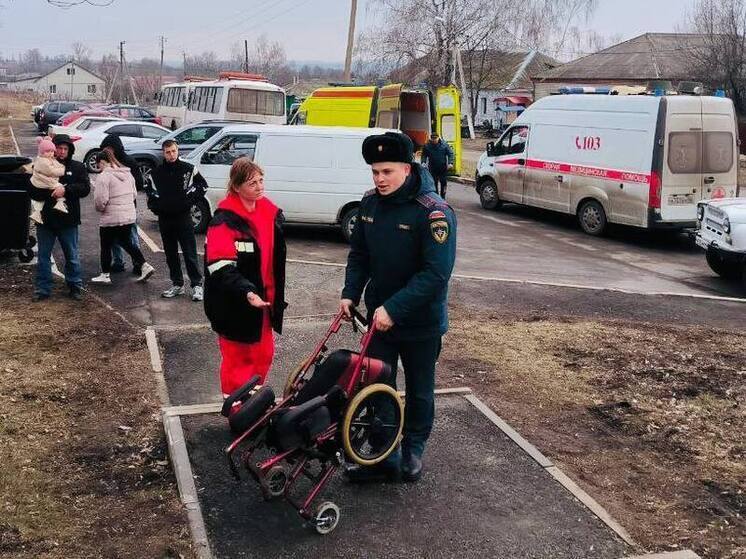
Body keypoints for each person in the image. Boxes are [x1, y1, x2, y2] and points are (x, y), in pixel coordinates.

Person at [340, 131, 457, 483]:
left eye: (387, 172)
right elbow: (359, 254)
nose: (379, 179)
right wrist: (350, 293)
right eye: (375, 172)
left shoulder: (433, 212)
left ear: (407, 169)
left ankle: (414, 449)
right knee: (378, 385)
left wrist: (394, 308)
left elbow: (436, 273)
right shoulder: (369, 204)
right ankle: (383, 452)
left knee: (420, 389)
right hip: (380, 320)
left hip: (419, 322)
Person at [203, 158, 287, 397]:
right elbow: (220, 267)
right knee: (238, 360)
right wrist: (247, 292)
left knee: (263, 355)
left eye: (261, 180)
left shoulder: (269, 215)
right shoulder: (223, 223)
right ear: (236, 187)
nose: (260, 187)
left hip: (264, 306)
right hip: (235, 307)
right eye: (252, 183)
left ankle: (255, 405)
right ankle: (237, 410)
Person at [28, 134, 91, 302]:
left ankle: (74, 286)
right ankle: (43, 289)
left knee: (72, 255)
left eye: (65, 149)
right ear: (53, 149)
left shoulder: (77, 167)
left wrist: (66, 190)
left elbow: (85, 188)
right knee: (43, 256)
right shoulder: (41, 165)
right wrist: (50, 192)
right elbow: (32, 189)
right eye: (59, 148)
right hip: (46, 220)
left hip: (68, 221)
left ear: (70, 150)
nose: (62, 152)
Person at [147, 139, 204, 301]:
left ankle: (197, 286)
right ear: (163, 153)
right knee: (170, 253)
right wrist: (159, 208)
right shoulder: (156, 173)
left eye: (173, 151)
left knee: (190, 253)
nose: (171, 155)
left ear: (177, 151)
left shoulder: (189, 169)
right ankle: (177, 284)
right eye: (168, 152)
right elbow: (150, 195)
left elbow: (202, 186)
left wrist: (188, 202)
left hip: (184, 218)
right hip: (165, 220)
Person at [90, 151, 155, 285]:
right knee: (126, 242)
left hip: (110, 218)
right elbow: (134, 194)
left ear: (102, 162)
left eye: (99, 165)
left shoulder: (104, 177)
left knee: (106, 245)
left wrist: (100, 209)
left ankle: (105, 274)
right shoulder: (127, 174)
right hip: (128, 216)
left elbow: (100, 200)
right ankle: (144, 265)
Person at [99, 134, 143, 275]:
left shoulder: (129, 162)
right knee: (118, 239)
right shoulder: (122, 161)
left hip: (126, 207)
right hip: (123, 207)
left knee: (129, 237)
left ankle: (137, 264)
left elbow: (139, 184)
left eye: (107, 148)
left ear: (113, 148)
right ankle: (119, 262)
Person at [30, 136, 67, 223]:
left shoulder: (47, 159)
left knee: (39, 203)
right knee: (60, 187)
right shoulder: (43, 161)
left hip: (41, 182)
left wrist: (60, 166)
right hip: (42, 183)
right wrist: (63, 170)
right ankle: (60, 204)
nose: (50, 154)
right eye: (47, 151)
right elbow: (51, 171)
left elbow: (55, 165)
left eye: (52, 151)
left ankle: (37, 214)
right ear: (42, 152)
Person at [421, 132, 454, 199]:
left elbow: (450, 153)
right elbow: (424, 155)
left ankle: (443, 197)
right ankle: (436, 197)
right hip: (432, 168)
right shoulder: (427, 146)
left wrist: (450, 163)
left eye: (435, 138)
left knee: (443, 183)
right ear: (431, 138)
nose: (434, 140)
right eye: (432, 138)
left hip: (443, 168)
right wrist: (423, 162)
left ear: (438, 138)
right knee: (434, 183)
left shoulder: (444, 145)